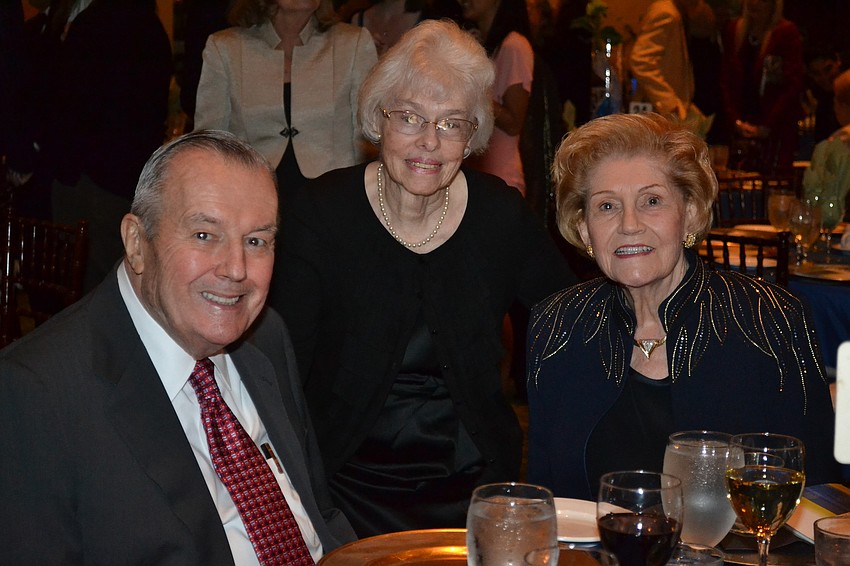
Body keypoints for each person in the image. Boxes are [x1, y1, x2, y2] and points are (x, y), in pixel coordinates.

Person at [268, 19, 575, 537]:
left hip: (474, 491)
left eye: (451, 123)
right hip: (345, 489)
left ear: (472, 133)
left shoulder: (500, 217)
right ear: (378, 119)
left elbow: (574, 320)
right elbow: (280, 368)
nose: (429, 142)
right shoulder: (320, 215)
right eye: (409, 117)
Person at [0, 130, 356, 564]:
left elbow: (319, 514)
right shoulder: (36, 393)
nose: (236, 270)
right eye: (205, 235)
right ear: (137, 244)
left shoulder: (266, 336)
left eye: (256, 240)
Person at [527, 112, 840, 501]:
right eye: (607, 206)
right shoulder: (557, 325)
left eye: (652, 201)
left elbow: (817, 492)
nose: (629, 224)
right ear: (584, 227)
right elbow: (543, 498)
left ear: (689, 213)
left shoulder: (769, 319)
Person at [9, 0, 173, 288]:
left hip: (91, 182)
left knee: (87, 286)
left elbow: (69, 108)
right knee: (119, 279)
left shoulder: (95, 25)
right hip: (129, 179)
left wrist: (60, 167)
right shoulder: (150, 25)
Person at [194, 0, 378, 205]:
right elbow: (210, 143)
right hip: (251, 198)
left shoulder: (353, 44)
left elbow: (368, 136)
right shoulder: (225, 48)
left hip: (333, 198)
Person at [720, 0, 805, 172]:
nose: (754, 4)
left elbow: (793, 85)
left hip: (774, 131)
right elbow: (725, 80)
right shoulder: (734, 31)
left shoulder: (785, 33)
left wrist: (767, 126)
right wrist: (735, 120)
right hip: (740, 127)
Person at [462, 0, 533, 195]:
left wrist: (470, 87)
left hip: (502, 178)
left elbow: (513, 123)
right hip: (479, 174)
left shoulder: (514, 45)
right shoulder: (489, 46)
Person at [629, 0, 707, 131]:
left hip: (664, 112)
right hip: (659, 114)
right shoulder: (666, 13)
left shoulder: (671, 11)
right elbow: (641, 60)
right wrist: (669, 104)